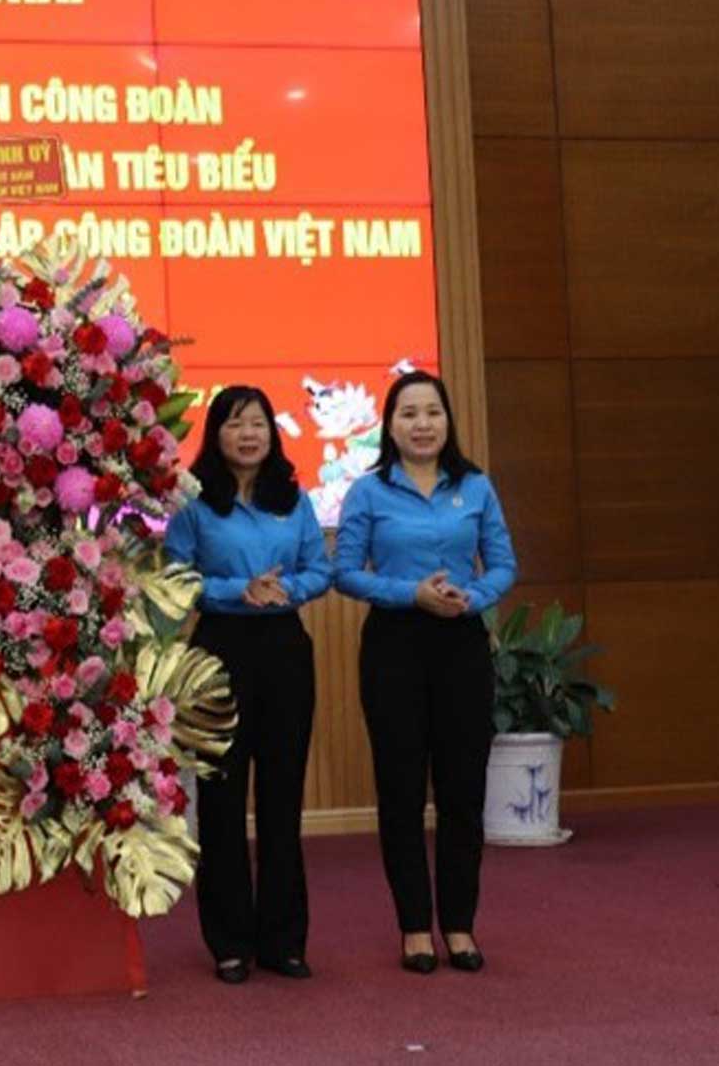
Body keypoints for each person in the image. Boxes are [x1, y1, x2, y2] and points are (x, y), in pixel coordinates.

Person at [332, 370, 515, 975]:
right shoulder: (368, 491)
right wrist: (411, 593)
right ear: (389, 425)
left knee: (463, 790)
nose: (421, 424)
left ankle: (459, 925)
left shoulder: (476, 486)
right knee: (402, 790)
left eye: (431, 412)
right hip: (395, 646)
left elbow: (505, 565)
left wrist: (473, 595)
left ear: (447, 420)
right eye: (408, 413)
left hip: (461, 642)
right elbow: (347, 572)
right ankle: (414, 926)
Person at [165, 385, 333, 985]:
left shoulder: (295, 499)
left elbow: (321, 568)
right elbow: (175, 578)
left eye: (258, 423)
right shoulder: (193, 503)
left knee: (283, 799)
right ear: (216, 434)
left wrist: (289, 589)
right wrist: (238, 589)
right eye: (235, 424)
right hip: (219, 651)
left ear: (272, 432)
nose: (248, 434)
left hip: (285, 648)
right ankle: (230, 941)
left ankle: (284, 941)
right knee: (221, 800)